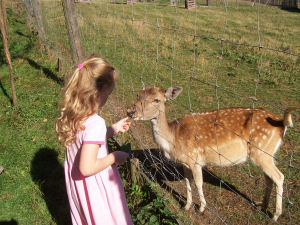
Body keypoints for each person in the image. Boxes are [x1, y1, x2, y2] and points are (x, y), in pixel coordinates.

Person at [55, 55, 133, 225]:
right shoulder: (96, 122)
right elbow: (87, 167)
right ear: (96, 94)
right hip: (95, 189)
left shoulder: (76, 114)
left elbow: (87, 143)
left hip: (81, 188)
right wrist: (114, 157)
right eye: (108, 94)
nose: (108, 99)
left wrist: (113, 129)